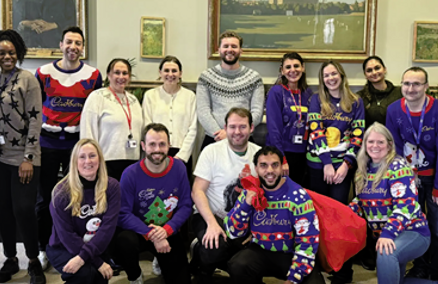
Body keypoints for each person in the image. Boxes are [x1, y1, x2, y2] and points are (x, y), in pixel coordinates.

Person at [34, 26, 103, 269]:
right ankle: (43, 248)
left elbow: (95, 111)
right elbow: (35, 108)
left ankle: (75, 246)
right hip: (48, 143)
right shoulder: (43, 73)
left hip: (78, 145)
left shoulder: (93, 75)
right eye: (69, 42)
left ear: (83, 48)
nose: (73, 47)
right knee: (45, 200)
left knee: (79, 198)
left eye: (78, 43)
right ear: (61, 45)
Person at [0, 29, 46, 284]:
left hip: (24, 158)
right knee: (3, 210)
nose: (7, 56)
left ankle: (33, 260)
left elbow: (35, 119)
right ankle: (10, 258)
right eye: (1, 53)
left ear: (18, 53)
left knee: (23, 209)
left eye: (11, 52)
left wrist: (28, 157)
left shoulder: (27, 79)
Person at [336, 124, 430, 284]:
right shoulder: (362, 171)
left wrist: (387, 234)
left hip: (412, 232)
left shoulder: (398, 167)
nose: (375, 146)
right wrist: (339, 214)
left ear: (389, 145)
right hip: (389, 235)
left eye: (380, 142)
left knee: (386, 253)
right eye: (370, 142)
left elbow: (405, 206)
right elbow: (360, 202)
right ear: (365, 145)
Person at [386, 67, 438, 283]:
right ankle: (419, 267)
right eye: (406, 83)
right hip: (408, 178)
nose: (411, 88)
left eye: (416, 84)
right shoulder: (394, 109)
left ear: (426, 86)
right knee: (414, 225)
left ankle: (437, 271)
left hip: (437, 177)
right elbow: (394, 148)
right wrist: (403, 178)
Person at [224, 146, 324, 284]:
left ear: (282, 167)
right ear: (256, 169)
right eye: (263, 165)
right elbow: (233, 232)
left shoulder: (298, 196)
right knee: (238, 265)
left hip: (290, 254)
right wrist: (245, 205)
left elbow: (308, 241)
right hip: (260, 250)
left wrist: (293, 279)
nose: (270, 171)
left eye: (275, 165)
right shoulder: (249, 192)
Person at [111, 123, 193, 284]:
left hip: (167, 232)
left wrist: (167, 230)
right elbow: (123, 213)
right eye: (152, 144)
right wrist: (151, 234)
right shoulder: (130, 174)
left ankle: (160, 258)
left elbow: (185, 205)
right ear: (143, 146)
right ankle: (134, 275)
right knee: (123, 242)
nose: (157, 149)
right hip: (139, 233)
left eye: (162, 144)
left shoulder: (179, 168)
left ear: (169, 145)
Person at [190, 107, 262, 284]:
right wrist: (212, 224)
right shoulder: (211, 151)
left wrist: (257, 229)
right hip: (211, 215)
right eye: (232, 126)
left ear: (251, 128)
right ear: (225, 127)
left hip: (243, 221)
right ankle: (203, 267)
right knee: (215, 245)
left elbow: (267, 196)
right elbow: (197, 191)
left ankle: (210, 256)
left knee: (250, 256)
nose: (237, 132)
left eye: (242, 127)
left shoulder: (260, 155)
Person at [47, 138, 121, 284]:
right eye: (82, 157)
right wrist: (97, 262)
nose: (88, 161)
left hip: (96, 246)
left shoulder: (112, 187)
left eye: (92, 156)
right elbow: (66, 235)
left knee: (100, 277)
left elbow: (107, 229)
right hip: (63, 247)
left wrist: (88, 258)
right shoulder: (61, 192)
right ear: (75, 162)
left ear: (100, 159)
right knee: (86, 274)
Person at [307, 61, 365, 203]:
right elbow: (316, 131)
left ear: (341, 75)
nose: (331, 78)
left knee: (338, 208)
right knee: (318, 208)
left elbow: (358, 135)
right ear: (322, 80)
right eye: (326, 75)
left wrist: (346, 164)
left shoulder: (356, 102)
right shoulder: (316, 99)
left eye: (334, 73)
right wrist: (327, 162)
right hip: (318, 163)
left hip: (342, 165)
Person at [196, 31, 264, 149]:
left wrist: (235, 132)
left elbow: (257, 112)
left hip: (244, 140)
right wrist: (221, 133)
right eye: (226, 46)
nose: (230, 49)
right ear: (219, 50)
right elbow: (203, 111)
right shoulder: (206, 77)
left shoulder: (254, 78)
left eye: (234, 46)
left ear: (241, 50)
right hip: (214, 139)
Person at [81, 58, 144, 182]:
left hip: (132, 162)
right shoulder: (97, 97)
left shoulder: (133, 100)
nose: (121, 77)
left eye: (125, 73)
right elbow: (87, 131)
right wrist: (90, 160)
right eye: (117, 72)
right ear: (109, 75)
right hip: (106, 162)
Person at [265, 52, 312, 187]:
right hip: (282, 152)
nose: (293, 70)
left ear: (303, 68)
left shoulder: (307, 93)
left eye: (296, 66)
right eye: (288, 67)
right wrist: (281, 158)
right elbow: (274, 128)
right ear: (282, 70)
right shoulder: (276, 92)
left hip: (302, 153)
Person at [142, 55, 199, 169]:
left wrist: (182, 156)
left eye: (174, 71)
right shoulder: (150, 95)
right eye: (166, 70)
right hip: (157, 153)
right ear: (160, 73)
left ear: (180, 73)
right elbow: (147, 125)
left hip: (182, 153)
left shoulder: (190, 96)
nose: (170, 74)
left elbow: (193, 128)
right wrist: (155, 150)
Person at [359, 55, 402, 127]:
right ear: (365, 75)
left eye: (377, 68)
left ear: (385, 69)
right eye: (369, 70)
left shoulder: (400, 93)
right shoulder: (360, 97)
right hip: (370, 137)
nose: (374, 73)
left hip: (395, 136)